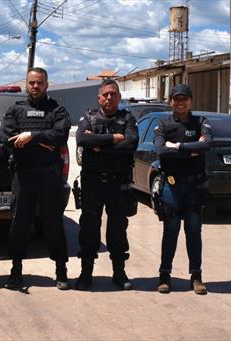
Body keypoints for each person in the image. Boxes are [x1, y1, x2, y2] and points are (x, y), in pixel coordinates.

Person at [3, 67, 72, 290]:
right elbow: (10, 137)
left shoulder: (57, 110)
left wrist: (31, 136)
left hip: (49, 175)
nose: (35, 86)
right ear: (26, 84)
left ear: (46, 84)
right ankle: (15, 271)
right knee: (19, 224)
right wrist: (43, 141)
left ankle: (61, 271)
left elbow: (61, 136)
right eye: (32, 82)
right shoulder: (15, 110)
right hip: (23, 175)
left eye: (39, 82)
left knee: (53, 223)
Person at [74, 79, 138, 291]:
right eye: (106, 94)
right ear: (99, 97)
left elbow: (130, 144)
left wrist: (100, 145)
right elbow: (82, 140)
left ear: (119, 98)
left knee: (117, 230)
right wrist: (114, 138)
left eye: (114, 94)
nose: (109, 98)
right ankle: (86, 273)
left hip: (118, 184)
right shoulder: (89, 117)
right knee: (89, 229)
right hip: (92, 184)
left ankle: (119, 273)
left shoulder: (127, 118)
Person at [153, 84, 211, 295]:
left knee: (194, 232)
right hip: (172, 186)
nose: (180, 102)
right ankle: (164, 275)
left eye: (184, 98)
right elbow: (160, 150)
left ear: (191, 101)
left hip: (195, 186)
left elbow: (206, 145)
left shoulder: (201, 122)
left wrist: (176, 147)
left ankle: (196, 276)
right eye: (176, 99)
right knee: (171, 231)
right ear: (171, 101)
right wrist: (190, 149)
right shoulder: (164, 123)